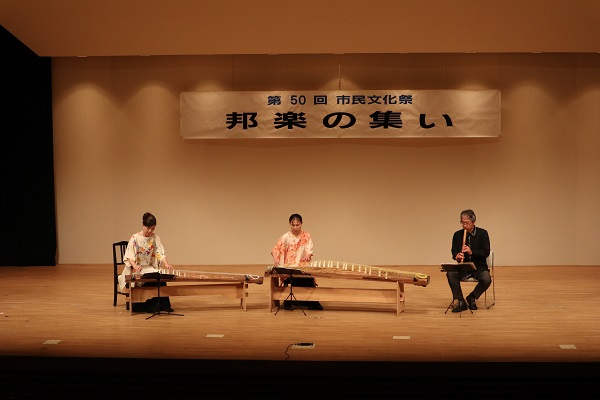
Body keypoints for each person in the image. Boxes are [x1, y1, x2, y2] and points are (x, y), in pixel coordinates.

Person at [118, 212, 175, 313]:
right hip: (137, 267)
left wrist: (166, 263)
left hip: (148, 266)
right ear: (143, 225)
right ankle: (145, 305)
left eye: (152, 229)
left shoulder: (155, 238)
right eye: (148, 228)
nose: (150, 231)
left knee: (159, 276)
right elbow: (129, 255)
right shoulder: (135, 238)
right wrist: (135, 266)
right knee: (144, 277)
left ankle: (163, 305)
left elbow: (159, 253)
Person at [271, 213, 323, 310]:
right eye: (293, 225)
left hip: (303, 265)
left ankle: (311, 302)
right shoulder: (286, 236)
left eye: (297, 225)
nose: (295, 227)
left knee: (308, 279)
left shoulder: (306, 235)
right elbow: (275, 249)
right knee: (291, 277)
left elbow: (309, 249)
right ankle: (288, 301)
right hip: (290, 266)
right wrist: (276, 258)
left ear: (301, 224)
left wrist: (308, 254)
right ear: (290, 224)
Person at [446, 209, 491, 313]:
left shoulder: (483, 233)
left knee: (486, 279)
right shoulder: (457, 235)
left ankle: (472, 297)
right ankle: (461, 301)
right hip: (463, 267)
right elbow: (454, 251)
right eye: (462, 222)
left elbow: (486, 252)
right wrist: (456, 256)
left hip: (479, 266)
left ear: (473, 222)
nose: (464, 225)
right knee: (450, 274)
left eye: (467, 223)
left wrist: (471, 252)